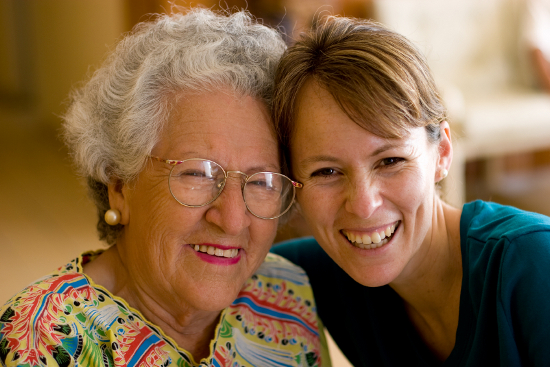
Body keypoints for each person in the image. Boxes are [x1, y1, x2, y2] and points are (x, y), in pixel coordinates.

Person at [0, 9, 330, 367]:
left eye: (263, 181)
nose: (233, 220)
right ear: (119, 185)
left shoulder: (287, 297)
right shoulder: (43, 341)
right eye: (198, 174)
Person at [270, 15, 550, 366]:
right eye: (326, 171)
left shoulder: (533, 263)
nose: (363, 205)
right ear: (293, 183)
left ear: (442, 152)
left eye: (390, 161)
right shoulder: (310, 274)